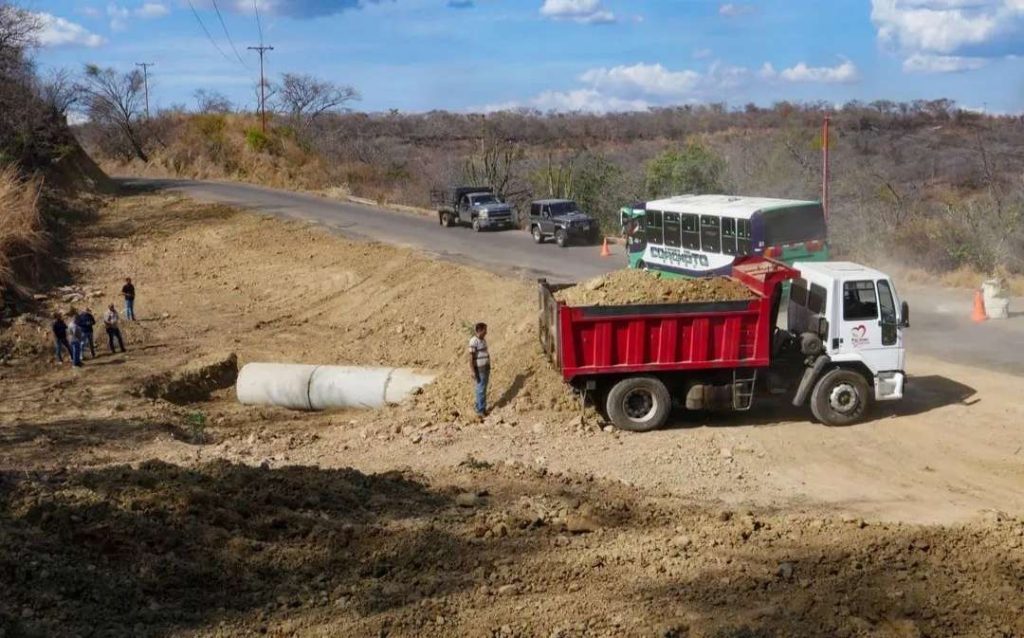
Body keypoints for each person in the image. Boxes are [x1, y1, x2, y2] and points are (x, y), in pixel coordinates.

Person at [468, 322, 490, 419]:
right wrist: (472, 371)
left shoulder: (483, 340)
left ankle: (481, 408)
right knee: (481, 388)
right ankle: (480, 410)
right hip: (479, 369)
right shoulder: (474, 341)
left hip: (485, 367)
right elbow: (470, 358)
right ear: (480, 330)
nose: (486, 332)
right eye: (485, 330)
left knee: (482, 388)